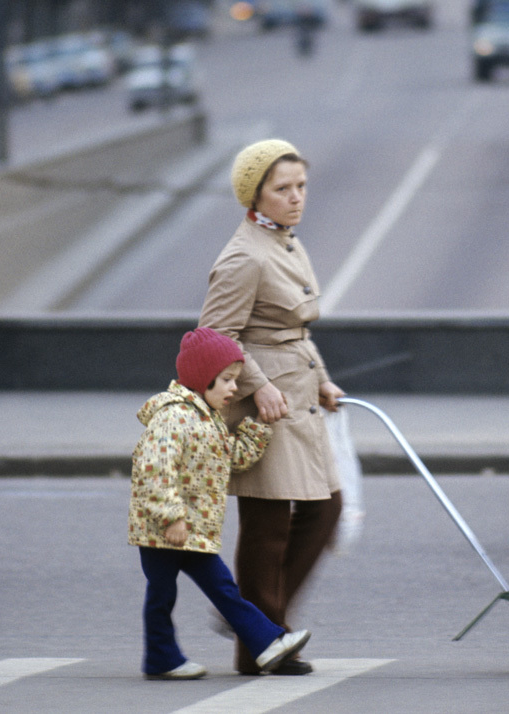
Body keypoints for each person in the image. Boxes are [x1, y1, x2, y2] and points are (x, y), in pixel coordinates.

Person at [198, 139, 344, 676]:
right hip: (263, 407)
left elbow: (294, 330)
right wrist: (257, 385)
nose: (296, 197)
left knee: (325, 508)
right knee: (267, 527)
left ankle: (251, 615)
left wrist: (325, 381)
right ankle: (259, 642)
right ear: (254, 195)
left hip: (299, 399)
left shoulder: (284, 242)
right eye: (282, 189)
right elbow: (213, 335)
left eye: (300, 186)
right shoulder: (244, 255)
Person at [129, 327, 312, 679]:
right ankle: (162, 658)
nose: (233, 388)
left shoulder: (206, 419)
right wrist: (171, 517)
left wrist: (259, 428)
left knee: (222, 589)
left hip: (191, 530)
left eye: (235, 380)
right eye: (227, 380)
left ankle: (267, 642)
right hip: (163, 531)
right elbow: (155, 471)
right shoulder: (172, 418)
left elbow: (232, 459)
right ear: (202, 378)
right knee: (163, 595)